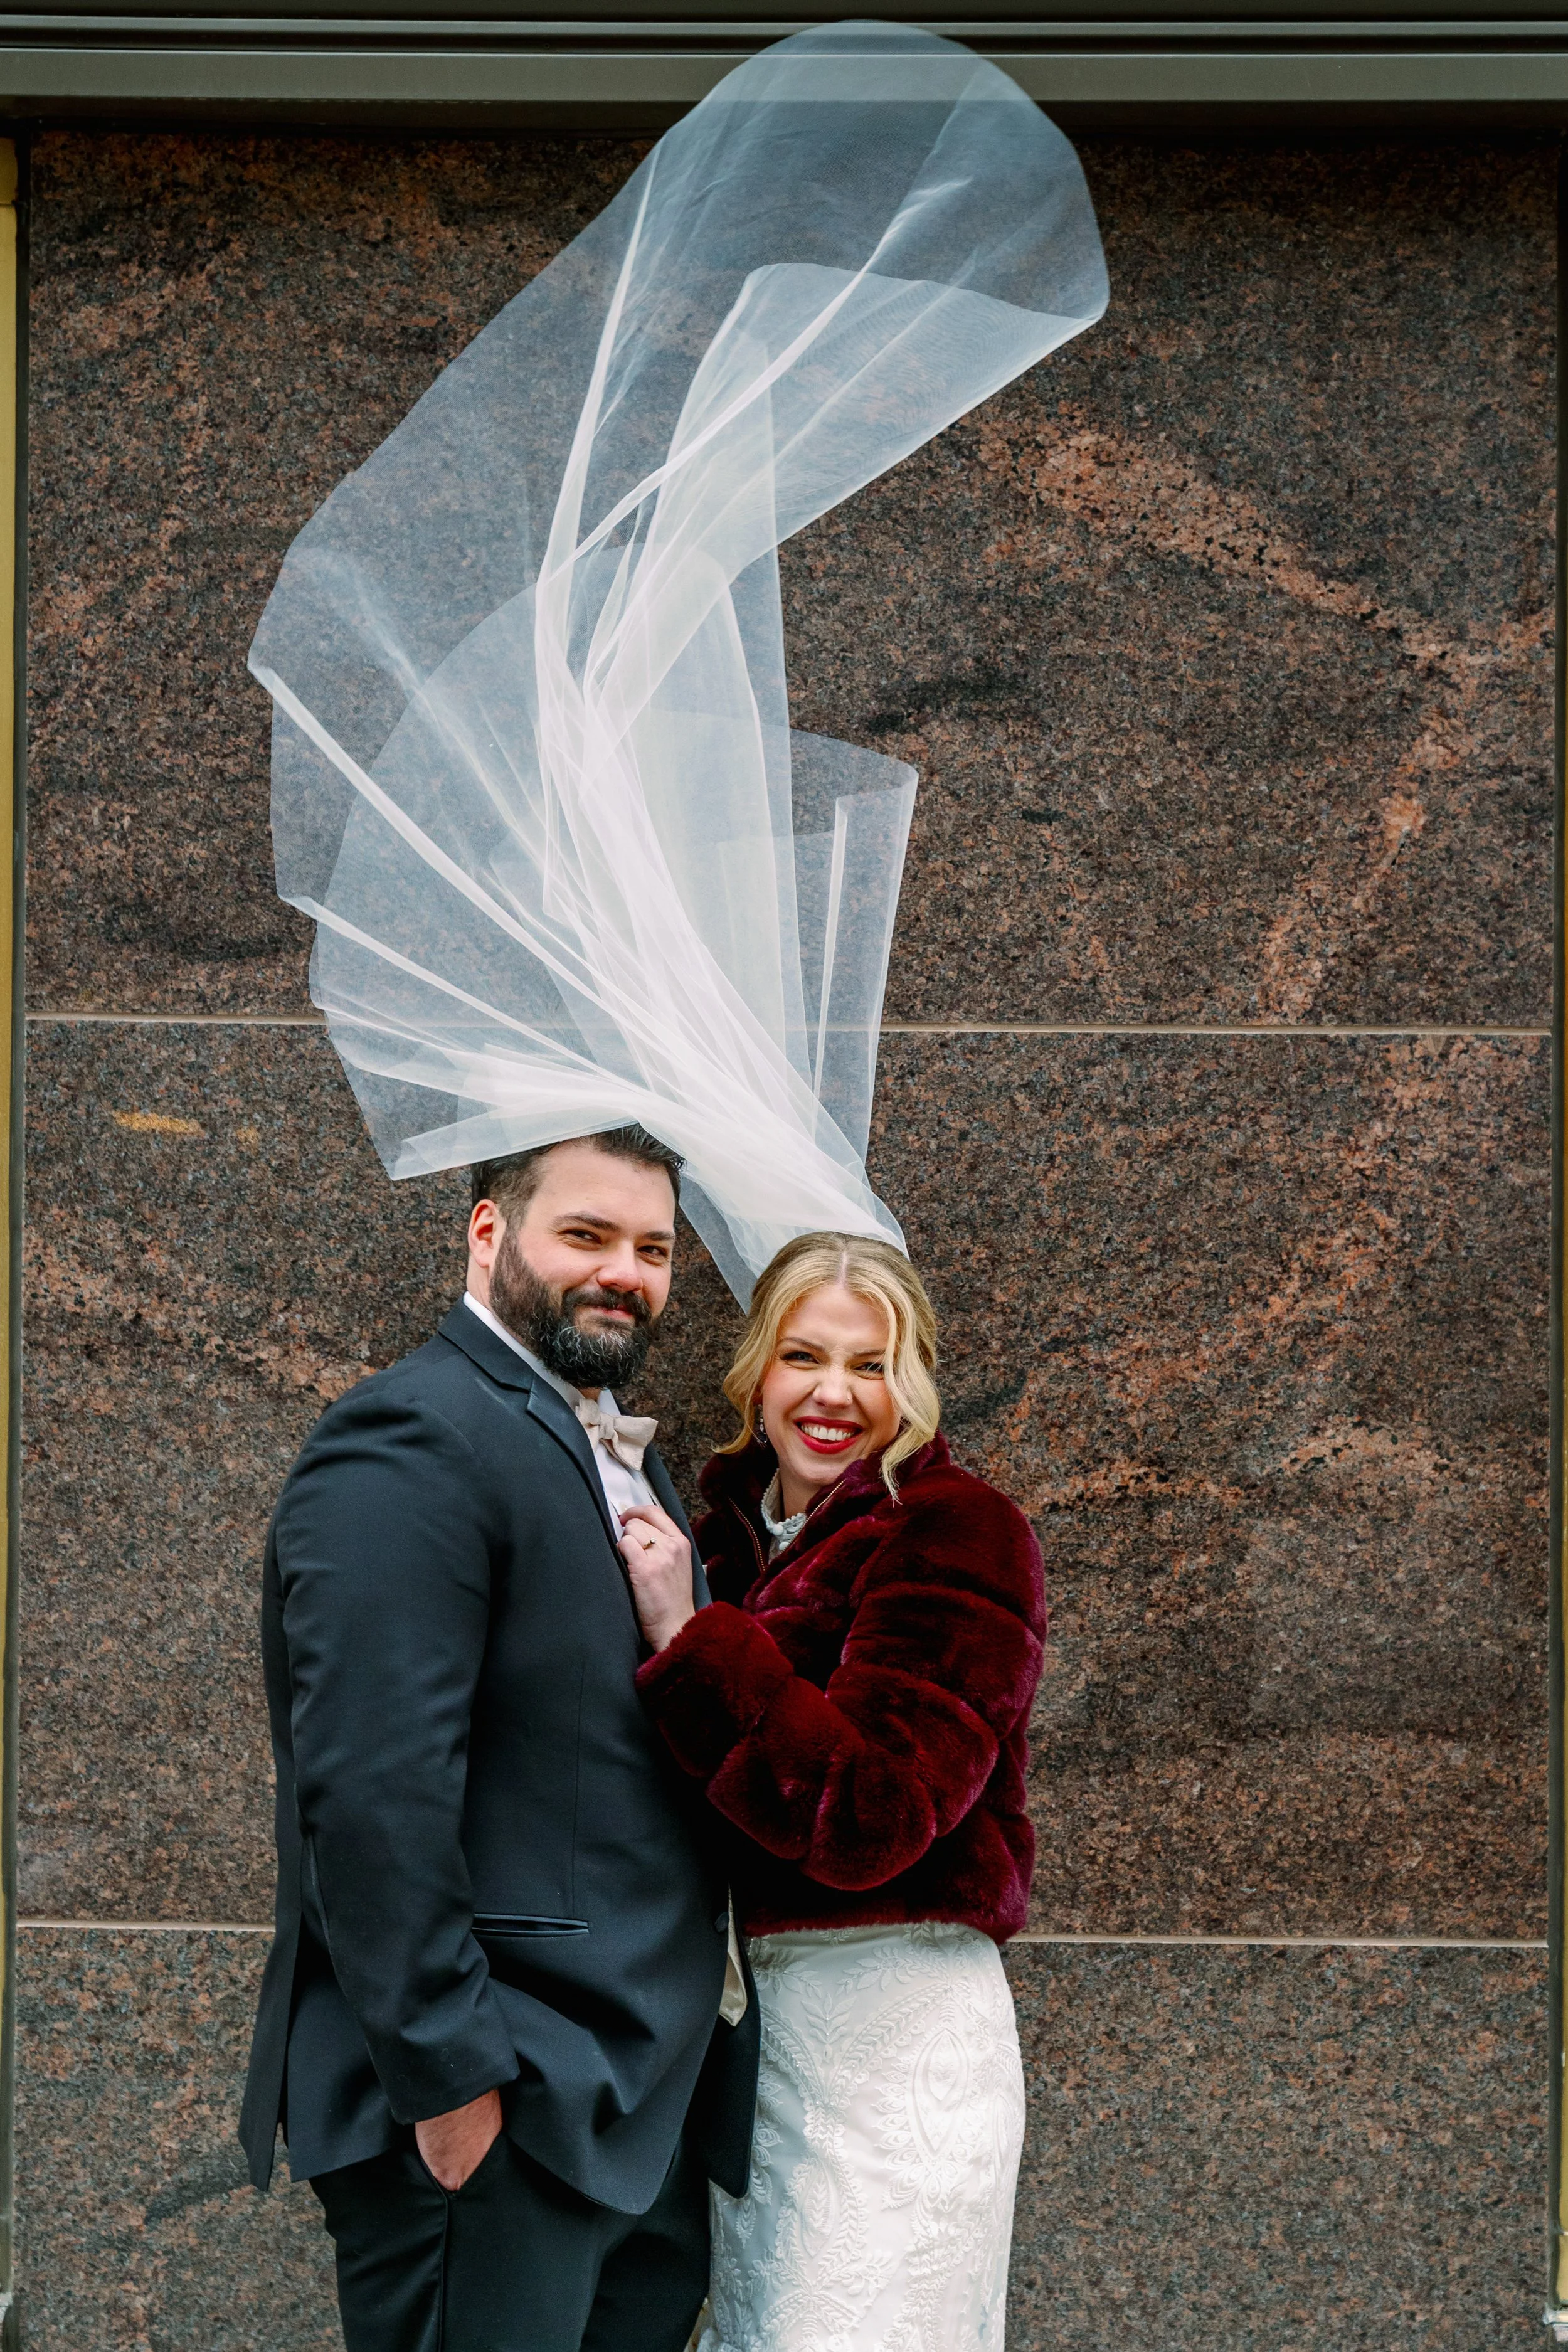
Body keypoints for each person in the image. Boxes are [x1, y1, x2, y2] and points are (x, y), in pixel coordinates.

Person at [238, 1126, 760, 2352]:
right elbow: (369, 1788)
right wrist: (455, 2089)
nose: (625, 1272)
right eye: (585, 1234)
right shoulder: (411, 1434)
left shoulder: (606, 1443)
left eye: (650, 1247)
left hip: (628, 2116)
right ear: (488, 1234)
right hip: (495, 2114)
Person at [623, 1231, 1046, 2352]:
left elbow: (877, 1814)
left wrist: (691, 1636)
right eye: (805, 1354)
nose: (833, 1392)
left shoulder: (957, 1529)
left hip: (893, 2032)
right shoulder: (731, 1538)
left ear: (910, 1385)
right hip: (759, 2051)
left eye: (871, 1364)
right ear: (757, 1370)